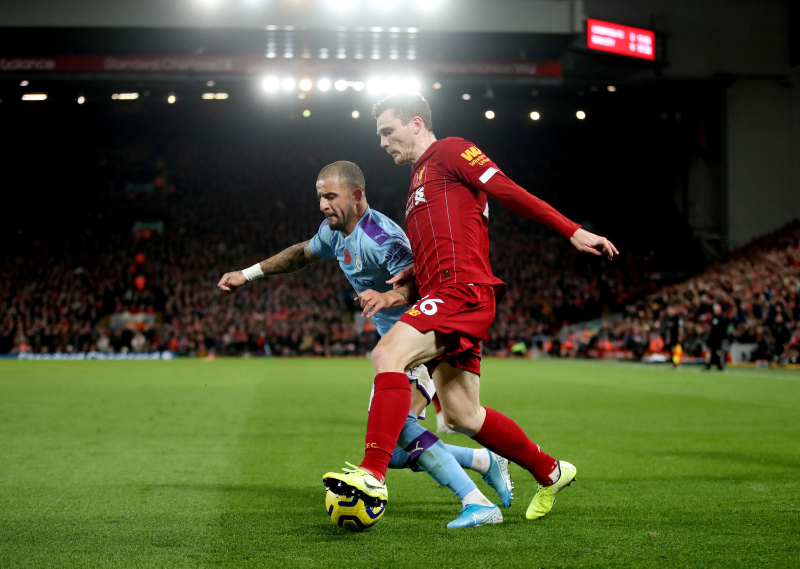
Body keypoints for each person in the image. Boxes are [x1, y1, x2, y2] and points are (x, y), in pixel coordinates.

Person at [324, 93, 618, 523]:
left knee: (387, 355)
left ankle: (372, 475)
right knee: (462, 414)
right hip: (442, 295)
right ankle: (550, 470)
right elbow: (448, 239)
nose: (382, 142)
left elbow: (507, 189)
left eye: (388, 131)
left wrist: (570, 229)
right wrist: (403, 287)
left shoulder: (451, 150)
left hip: (461, 290)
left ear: (416, 123)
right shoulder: (418, 181)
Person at [217, 161, 512, 528]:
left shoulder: (383, 238)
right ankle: (484, 461)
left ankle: (476, 502)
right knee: (395, 452)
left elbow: (423, 282)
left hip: (418, 339)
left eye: (330, 196)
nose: (323, 205)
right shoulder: (333, 233)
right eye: (320, 197)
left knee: (400, 431)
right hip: (395, 346)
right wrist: (247, 275)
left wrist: (391, 297)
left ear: (356, 195)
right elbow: (302, 253)